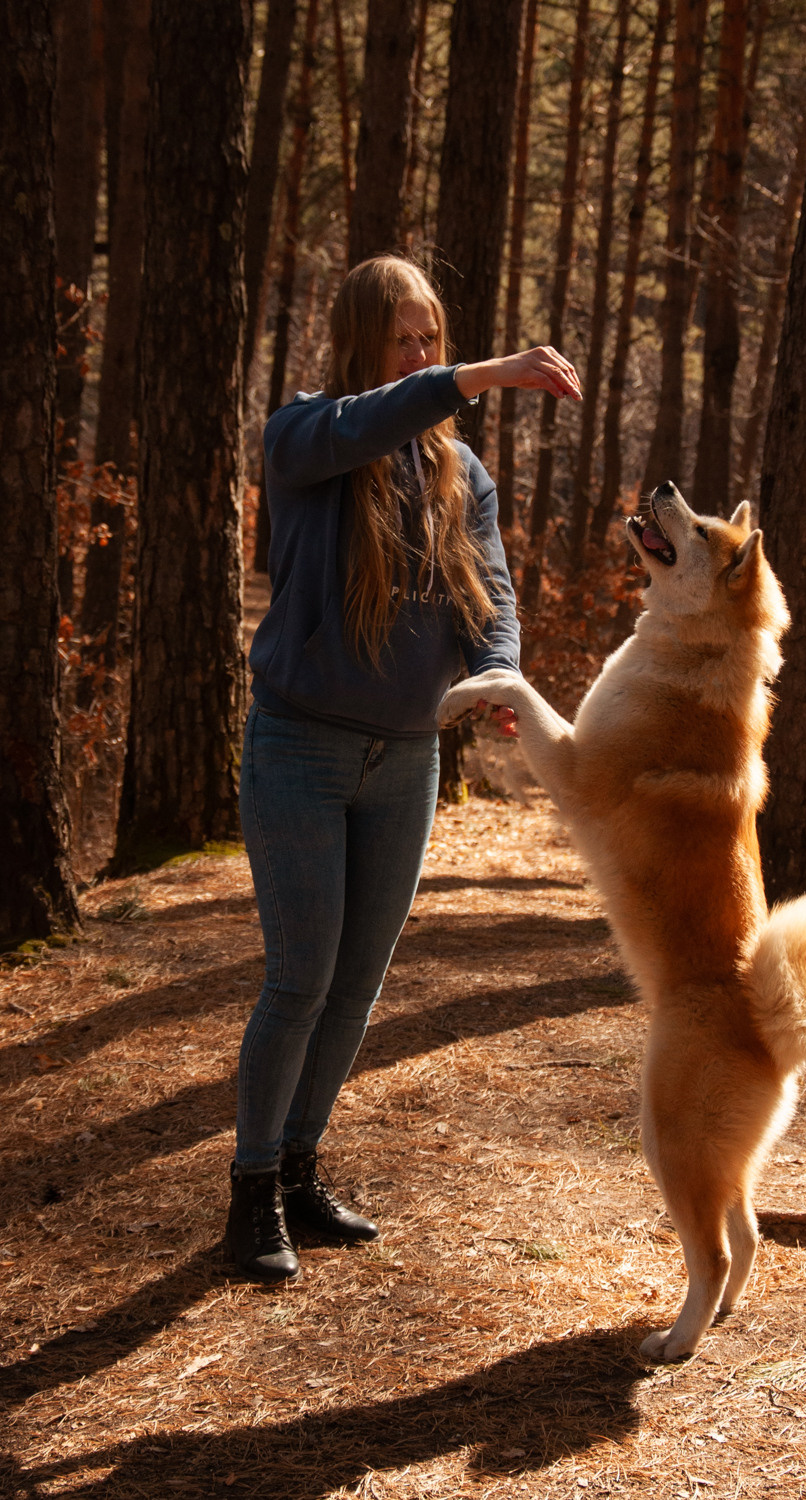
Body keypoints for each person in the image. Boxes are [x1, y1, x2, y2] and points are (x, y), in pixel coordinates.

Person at [227, 255, 581, 1282]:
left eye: (435, 336)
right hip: (299, 747)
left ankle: (300, 1170)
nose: (425, 356)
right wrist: (480, 371)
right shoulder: (304, 436)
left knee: (356, 988)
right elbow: (358, 426)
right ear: (361, 344)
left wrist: (500, 677)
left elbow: (494, 594)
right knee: (299, 978)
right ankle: (250, 1194)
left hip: (408, 759)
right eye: (406, 340)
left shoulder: (460, 473)